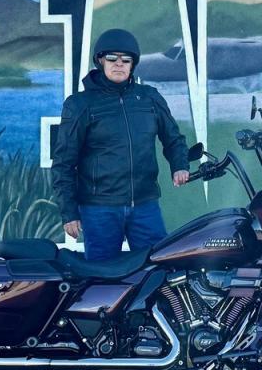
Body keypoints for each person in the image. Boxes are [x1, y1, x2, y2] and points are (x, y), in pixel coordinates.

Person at [51, 28, 190, 261]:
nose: (119, 64)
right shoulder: (79, 104)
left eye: (126, 60)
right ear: (100, 61)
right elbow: (63, 162)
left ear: (133, 65)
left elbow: (173, 138)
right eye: (112, 58)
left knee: (156, 268)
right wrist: (69, 213)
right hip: (99, 209)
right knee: (103, 275)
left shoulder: (150, 98)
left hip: (145, 206)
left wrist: (180, 165)